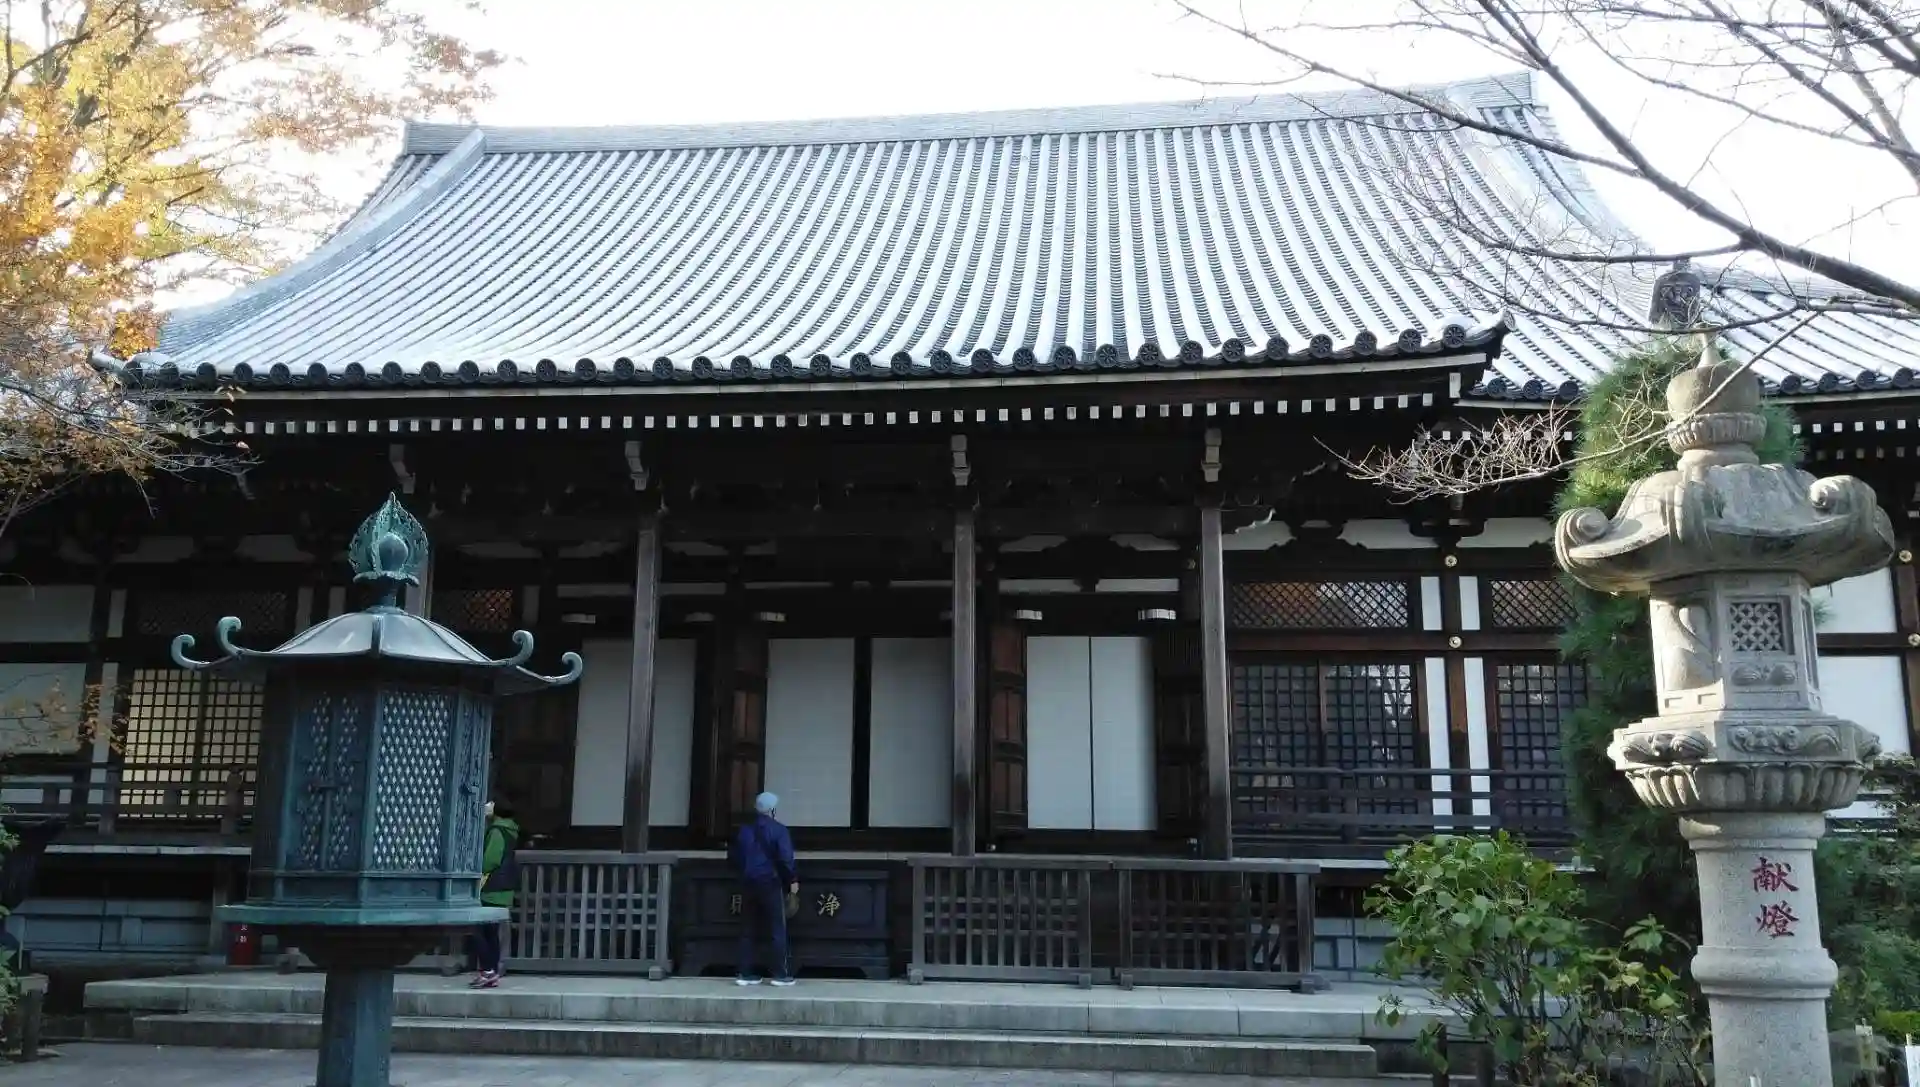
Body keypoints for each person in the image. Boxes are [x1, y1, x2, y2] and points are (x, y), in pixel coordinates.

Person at [730, 791, 797, 986]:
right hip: (770, 882)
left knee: (747, 928)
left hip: (748, 882)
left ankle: (744, 973)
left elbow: (734, 857)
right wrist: (792, 879)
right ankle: (780, 974)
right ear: (773, 810)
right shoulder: (779, 831)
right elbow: (786, 859)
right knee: (777, 928)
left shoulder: (744, 830)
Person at [472, 798, 520, 989]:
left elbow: (490, 860)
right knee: (491, 932)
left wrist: (477, 869)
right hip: (504, 887)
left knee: (478, 930)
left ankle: (487, 970)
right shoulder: (511, 829)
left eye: (491, 804)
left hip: (492, 886)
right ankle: (492, 971)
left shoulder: (497, 830)